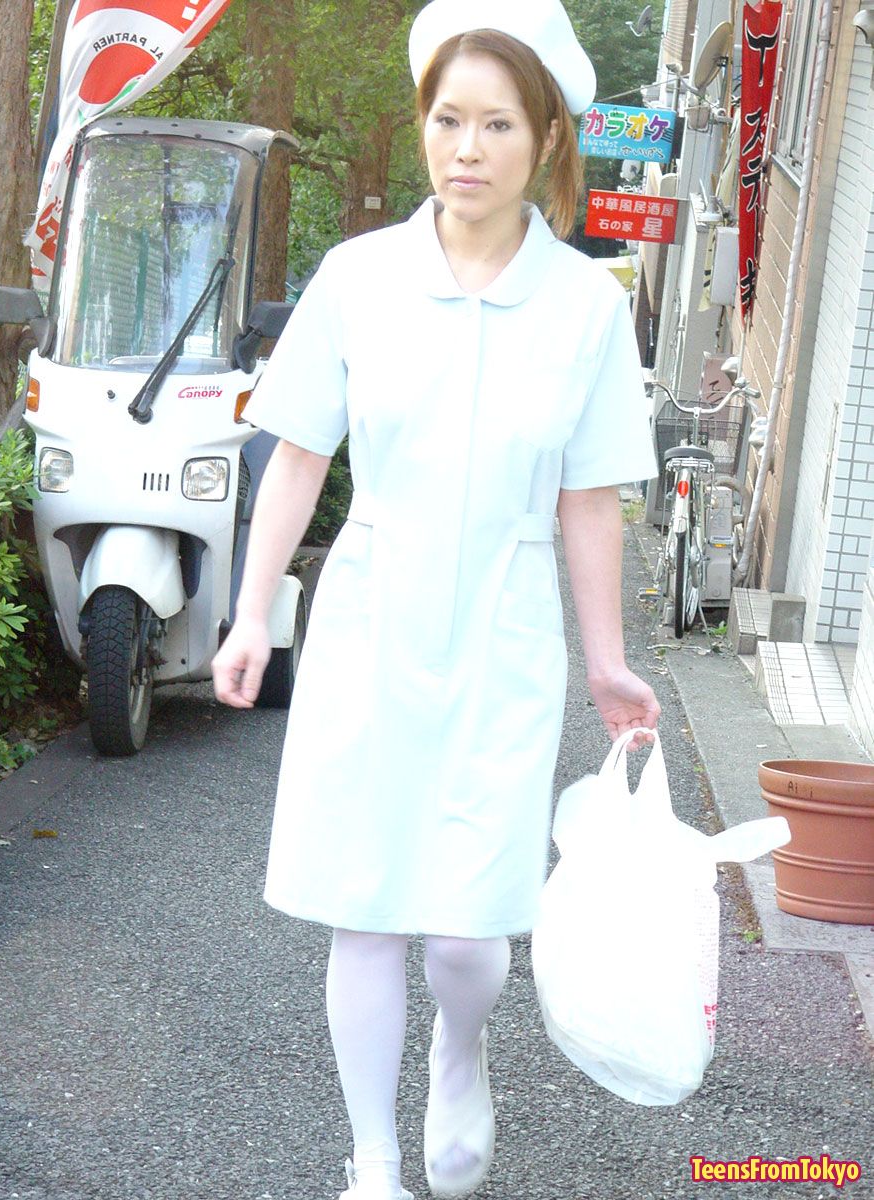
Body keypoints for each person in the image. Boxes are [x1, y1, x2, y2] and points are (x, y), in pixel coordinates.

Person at [212, 1, 661, 1196]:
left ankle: (461, 1051)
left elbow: (588, 500)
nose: (467, 148)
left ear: (546, 137)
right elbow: (298, 453)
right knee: (361, 905)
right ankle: (371, 1162)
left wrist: (608, 660)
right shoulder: (360, 278)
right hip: (370, 611)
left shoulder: (586, 306)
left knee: (468, 929)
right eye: (448, 119)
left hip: (505, 627)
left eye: (497, 124)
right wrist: (253, 613)